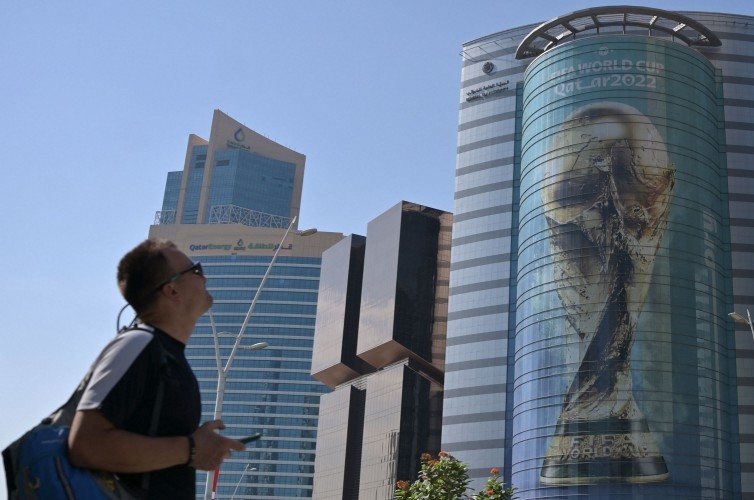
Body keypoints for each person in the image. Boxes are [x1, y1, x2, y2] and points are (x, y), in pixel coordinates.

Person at [67, 239, 245, 498]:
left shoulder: (166, 354)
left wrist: (193, 450)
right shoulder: (138, 344)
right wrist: (191, 449)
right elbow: (86, 445)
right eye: (196, 270)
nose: (204, 278)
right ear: (172, 290)